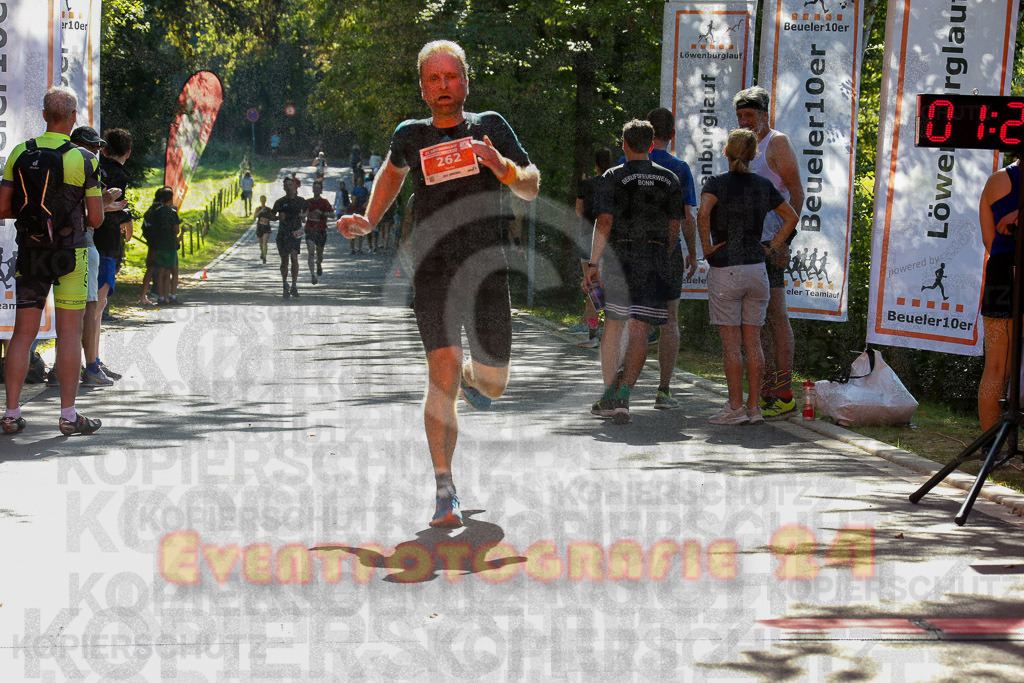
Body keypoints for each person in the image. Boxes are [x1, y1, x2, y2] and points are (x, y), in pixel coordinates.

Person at [337, 40, 540, 528]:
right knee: (441, 373)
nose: (444, 86)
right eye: (434, 79)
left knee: (493, 383)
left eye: (452, 77)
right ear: (423, 88)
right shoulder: (411, 135)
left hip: (487, 268)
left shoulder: (489, 128)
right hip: (433, 268)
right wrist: (368, 219)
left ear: (466, 81)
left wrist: (502, 167)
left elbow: (531, 184)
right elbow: (391, 175)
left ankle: (477, 375)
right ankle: (444, 488)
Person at [0, 86, 104, 436]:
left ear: (45, 115)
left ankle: (11, 413)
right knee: (69, 333)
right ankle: (68, 415)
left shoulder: (19, 152)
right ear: (73, 117)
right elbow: (97, 218)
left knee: (22, 334)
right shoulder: (86, 160)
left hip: (30, 253)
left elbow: (2, 208)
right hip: (70, 254)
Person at [584, 120, 683, 425]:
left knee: (614, 327)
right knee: (640, 330)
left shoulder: (613, 176)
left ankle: (609, 392)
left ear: (624, 144)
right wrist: (662, 256)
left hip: (620, 257)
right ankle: (624, 395)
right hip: (654, 256)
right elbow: (674, 227)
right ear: (651, 145)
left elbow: (604, 222)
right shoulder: (670, 178)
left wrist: (592, 263)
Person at [698, 128, 798, 426]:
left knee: (731, 344)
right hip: (757, 269)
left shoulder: (716, 183)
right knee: (753, 341)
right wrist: (772, 246)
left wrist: (707, 248)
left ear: (726, 153)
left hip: (726, 267)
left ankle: (734, 407)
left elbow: (702, 214)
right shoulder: (763, 184)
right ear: (755, 156)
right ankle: (755, 409)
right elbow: (791, 216)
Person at [734, 86, 804, 420]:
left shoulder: (776, 143)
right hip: (746, 244)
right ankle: (765, 390)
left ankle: (785, 393)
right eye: (740, 116)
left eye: (750, 116)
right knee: (755, 321)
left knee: (776, 317)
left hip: (771, 244)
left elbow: (797, 193)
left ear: (765, 115)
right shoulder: (741, 145)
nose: (745, 122)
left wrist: (785, 241)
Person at [643, 107, 698, 406]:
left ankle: (619, 389)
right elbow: (686, 217)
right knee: (669, 321)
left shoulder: (626, 163)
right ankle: (664, 390)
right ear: (672, 134)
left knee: (629, 319)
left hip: (633, 252)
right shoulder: (680, 168)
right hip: (668, 251)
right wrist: (693, 252)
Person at [978, 156, 1020, 431]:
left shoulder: (996, 181)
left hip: (1002, 269)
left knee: (995, 367)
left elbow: (990, 241)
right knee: (996, 366)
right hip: (1005, 271)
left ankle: (990, 446)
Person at [575, 148, 613, 348]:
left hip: (587, 238)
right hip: (609, 240)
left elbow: (579, 211)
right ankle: (607, 333)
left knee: (592, 289)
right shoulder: (615, 183)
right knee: (606, 288)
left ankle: (593, 335)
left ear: (596, 165)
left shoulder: (586, 185)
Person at [143, 187, 181, 305]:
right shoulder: (172, 213)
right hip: (170, 244)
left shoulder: (156, 212)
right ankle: (172, 296)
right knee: (173, 270)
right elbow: (176, 230)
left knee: (161, 271)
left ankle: (161, 297)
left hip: (158, 244)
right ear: (171, 198)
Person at [271, 176, 307, 298]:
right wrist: (278, 218)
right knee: (285, 260)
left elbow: (307, 210)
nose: (288, 188)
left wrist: (303, 216)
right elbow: (271, 215)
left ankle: (294, 285)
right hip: (283, 233)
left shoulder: (301, 201)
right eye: (286, 186)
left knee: (294, 257)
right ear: (284, 188)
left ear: (295, 187)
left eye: (290, 185)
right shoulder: (280, 202)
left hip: (296, 232)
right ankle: (285, 283)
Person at [304, 181, 334, 283]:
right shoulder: (307, 202)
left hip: (321, 231)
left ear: (321, 190)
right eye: (314, 188)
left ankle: (319, 263)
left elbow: (333, 215)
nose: (316, 190)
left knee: (319, 254)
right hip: (310, 230)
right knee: (311, 252)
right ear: (312, 190)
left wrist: (322, 213)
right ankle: (312, 275)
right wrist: (304, 215)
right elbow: (302, 214)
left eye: (318, 188)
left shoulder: (324, 202)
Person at [348, 174, 369, 254]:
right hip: (355, 211)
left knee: (360, 232)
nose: (360, 183)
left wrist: (366, 204)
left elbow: (367, 197)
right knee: (352, 233)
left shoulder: (364, 189)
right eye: (359, 181)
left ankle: (359, 248)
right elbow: (352, 197)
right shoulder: (355, 189)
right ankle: (353, 249)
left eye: (361, 181)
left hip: (361, 210)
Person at [254, 195, 273, 263]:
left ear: (265, 200)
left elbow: (272, 217)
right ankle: (262, 252)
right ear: (260, 200)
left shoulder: (268, 209)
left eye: (264, 199)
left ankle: (264, 256)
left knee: (265, 242)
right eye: (261, 199)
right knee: (261, 243)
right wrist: (260, 211)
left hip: (266, 228)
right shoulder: (258, 208)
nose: (263, 201)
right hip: (260, 227)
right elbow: (254, 217)